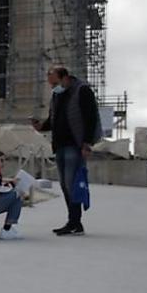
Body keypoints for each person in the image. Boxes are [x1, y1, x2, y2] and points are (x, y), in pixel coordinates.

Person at [31, 65, 102, 236]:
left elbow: (91, 118)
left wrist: (87, 143)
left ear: (64, 78)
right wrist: (41, 126)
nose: (52, 87)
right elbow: (54, 119)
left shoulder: (82, 91)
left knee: (72, 184)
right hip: (60, 145)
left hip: (75, 145)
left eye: (54, 83)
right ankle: (73, 221)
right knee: (64, 184)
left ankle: (75, 222)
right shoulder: (57, 95)